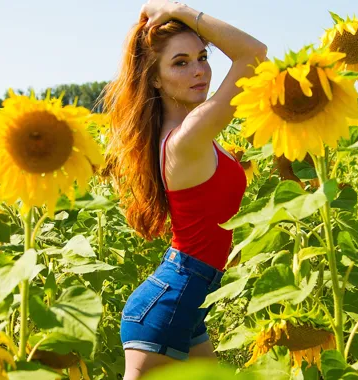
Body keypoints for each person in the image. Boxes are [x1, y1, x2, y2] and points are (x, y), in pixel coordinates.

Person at [102, 1, 267, 378]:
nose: (199, 71)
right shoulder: (188, 136)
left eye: (203, 57)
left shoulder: (186, 133)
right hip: (170, 305)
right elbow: (254, 55)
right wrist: (180, 10)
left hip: (188, 302)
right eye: (180, 62)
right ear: (155, 78)